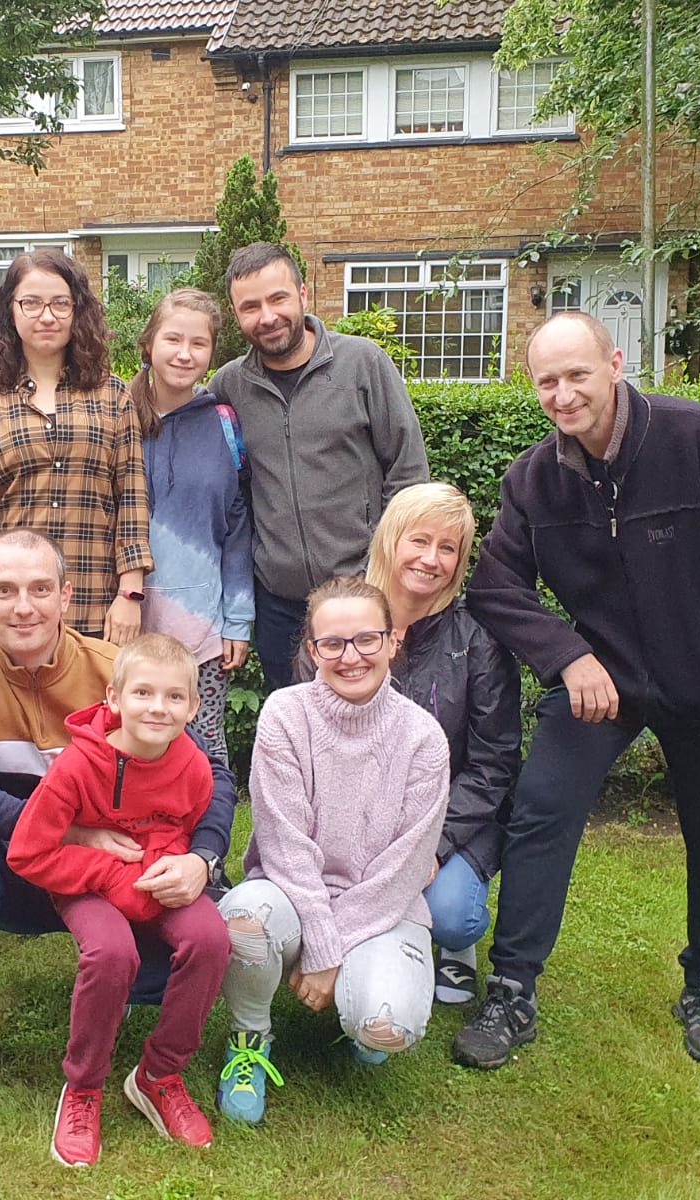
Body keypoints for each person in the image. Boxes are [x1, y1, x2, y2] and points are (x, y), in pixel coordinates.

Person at [455, 311, 700, 1071]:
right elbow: (497, 587)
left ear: (615, 365)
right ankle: (513, 988)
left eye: (577, 374)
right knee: (540, 810)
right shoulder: (533, 481)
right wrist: (568, 657)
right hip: (602, 684)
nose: (563, 394)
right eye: (547, 381)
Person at [0, 529, 237, 1116]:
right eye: (5, 590)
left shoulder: (117, 671)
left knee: (198, 927)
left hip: (116, 874)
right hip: (17, 865)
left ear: (66, 596)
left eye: (40, 589)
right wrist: (65, 831)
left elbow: (212, 774)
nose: (24, 607)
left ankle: (142, 999)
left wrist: (203, 858)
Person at [215, 576, 450, 1126]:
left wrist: (330, 949)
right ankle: (249, 1039)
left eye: (367, 639)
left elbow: (405, 868)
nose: (351, 657)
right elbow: (285, 846)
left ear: (393, 641)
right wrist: (320, 945)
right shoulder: (284, 715)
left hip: (384, 908)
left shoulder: (423, 738)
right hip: (290, 895)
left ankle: (361, 1016)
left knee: (385, 1027)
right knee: (243, 920)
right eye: (333, 643)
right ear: (312, 649)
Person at [8, 633, 230, 1167]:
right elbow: (28, 853)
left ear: (194, 708)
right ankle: (83, 1087)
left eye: (174, 697)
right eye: (143, 693)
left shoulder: (194, 766)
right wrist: (111, 875)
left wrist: (170, 864)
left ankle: (159, 1074)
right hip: (85, 882)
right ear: (114, 698)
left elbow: (182, 826)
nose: (158, 708)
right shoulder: (77, 766)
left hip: (152, 880)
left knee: (210, 938)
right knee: (112, 953)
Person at [209, 242, 428, 690]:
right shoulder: (230, 385)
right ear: (236, 314)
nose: (267, 316)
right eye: (250, 307)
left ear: (303, 295)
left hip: (363, 595)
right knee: (295, 722)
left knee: (371, 718)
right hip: (280, 607)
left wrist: (387, 575)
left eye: (278, 298)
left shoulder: (362, 364)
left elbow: (407, 474)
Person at [365, 482, 522, 1004]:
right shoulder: (346, 618)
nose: (431, 560)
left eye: (448, 548)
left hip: (453, 819)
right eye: (420, 540)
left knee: (451, 914)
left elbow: (493, 764)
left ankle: (456, 946)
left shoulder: (477, 640)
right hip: (362, 811)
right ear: (391, 539)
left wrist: (432, 845)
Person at [0, 249, 151, 643]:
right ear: (10, 310)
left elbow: (131, 497)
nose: (47, 316)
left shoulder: (113, 396)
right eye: (31, 303)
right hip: (14, 610)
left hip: (95, 601)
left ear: (78, 310)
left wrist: (130, 593)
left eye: (61, 303)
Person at [130, 287, 253, 765]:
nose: (184, 354)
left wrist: (238, 619)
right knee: (129, 752)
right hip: (124, 621)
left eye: (198, 343)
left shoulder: (224, 422)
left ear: (211, 354)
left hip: (201, 626)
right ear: (149, 344)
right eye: (173, 339)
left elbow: (237, 523)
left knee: (201, 754)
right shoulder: (118, 415)